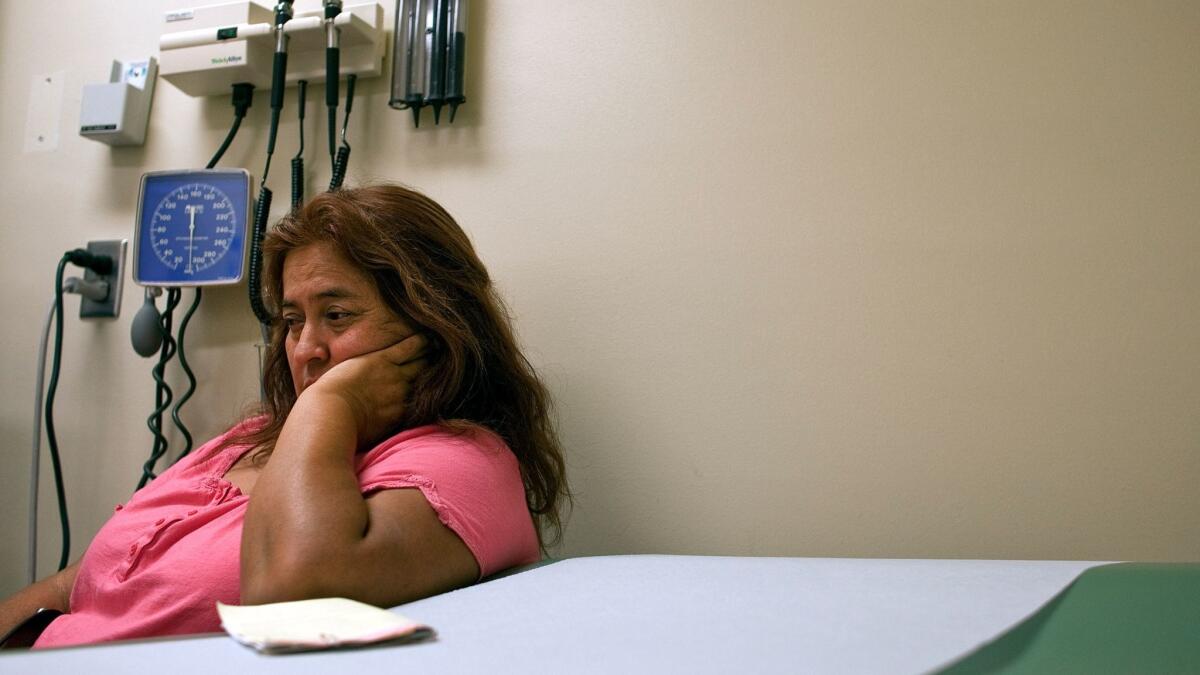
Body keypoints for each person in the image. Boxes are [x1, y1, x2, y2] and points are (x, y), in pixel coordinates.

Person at [0, 184, 570, 648]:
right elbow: (77, 583)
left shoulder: (465, 464)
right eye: (293, 320)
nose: (304, 349)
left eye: (338, 315)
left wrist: (331, 401)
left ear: (434, 323)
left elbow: (289, 592)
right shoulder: (245, 441)